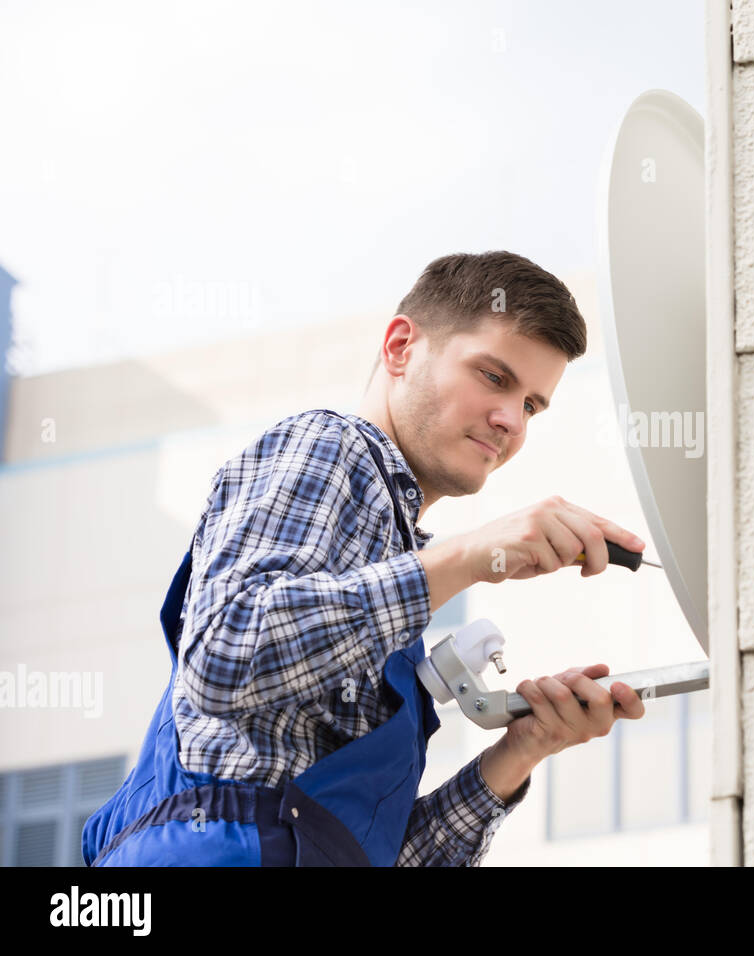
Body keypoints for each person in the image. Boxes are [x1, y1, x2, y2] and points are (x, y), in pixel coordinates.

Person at [82, 251, 647, 867]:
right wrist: (470, 556)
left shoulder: (395, 596)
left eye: (532, 406)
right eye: (493, 377)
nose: (510, 420)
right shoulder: (331, 449)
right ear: (402, 347)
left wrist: (522, 751)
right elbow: (225, 653)